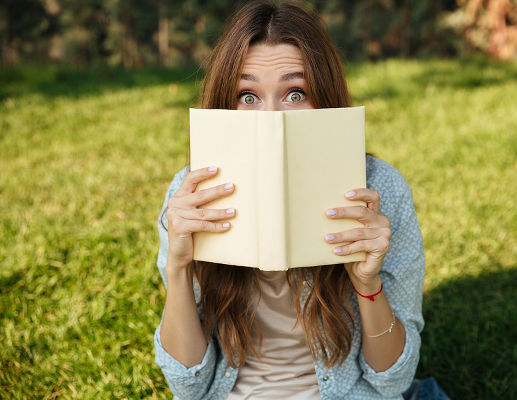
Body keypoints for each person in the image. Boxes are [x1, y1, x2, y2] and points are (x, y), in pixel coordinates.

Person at [154, 2, 449, 399]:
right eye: (248, 96)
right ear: (224, 105)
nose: (271, 118)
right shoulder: (188, 196)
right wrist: (178, 268)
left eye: (295, 94)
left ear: (326, 100)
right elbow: (186, 385)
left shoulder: (382, 191)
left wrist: (367, 283)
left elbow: (391, 381)